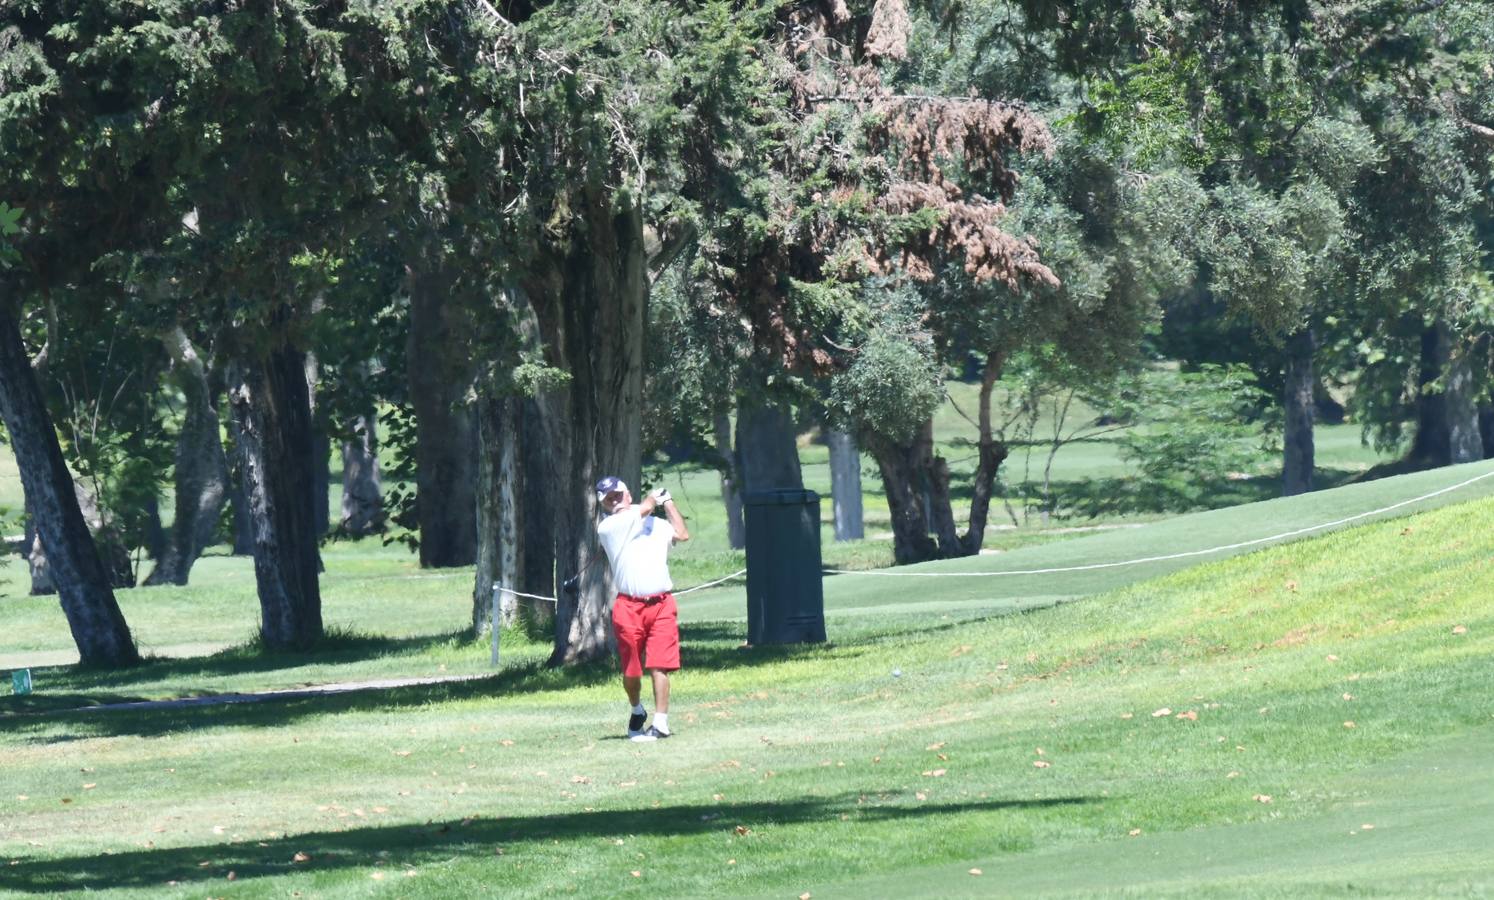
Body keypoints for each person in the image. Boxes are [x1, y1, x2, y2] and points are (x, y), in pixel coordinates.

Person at [594, 475, 690, 741]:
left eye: (617, 495)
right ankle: (637, 709)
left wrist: (668, 501)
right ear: (604, 506)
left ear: (628, 494)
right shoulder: (610, 526)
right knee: (632, 671)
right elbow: (646, 506)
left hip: (661, 604)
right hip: (629, 607)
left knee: (660, 665)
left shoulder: (656, 525)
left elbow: (682, 534)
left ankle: (661, 723)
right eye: (608, 499)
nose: (614, 501)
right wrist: (653, 498)